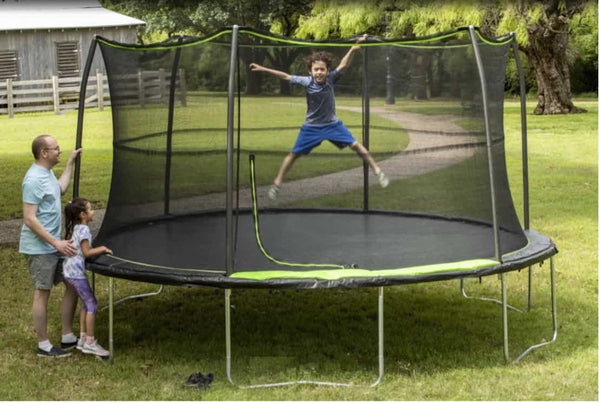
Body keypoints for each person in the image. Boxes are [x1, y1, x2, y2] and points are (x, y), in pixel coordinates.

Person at [249, 35, 389, 200]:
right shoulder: (306, 81)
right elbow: (285, 76)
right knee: (293, 155)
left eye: (322, 69)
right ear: (310, 71)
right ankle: (277, 183)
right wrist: (263, 69)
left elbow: (343, 65)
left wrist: (353, 48)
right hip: (311, 127)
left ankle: (377, 171)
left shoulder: (331, 79)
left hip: (332, 125)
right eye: (316, 69)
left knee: (356, 145)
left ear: (327, 71)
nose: (319, 72)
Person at [19, 134, 82, 357]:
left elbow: (60, 189)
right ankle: (43, 345)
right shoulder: (33, 179)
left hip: (55, 245)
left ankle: (67, 336)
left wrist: (70, 163)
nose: (60, 150)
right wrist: (56, 242)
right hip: (40, 248)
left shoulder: (47, 173)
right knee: (42, 293)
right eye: (56, 149)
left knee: (73, 285)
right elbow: (29, 218)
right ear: (43, 153)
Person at [63, 197, 112, 357]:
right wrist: (102, 249)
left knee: (85, 304)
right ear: (83, 214)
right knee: (92, 304)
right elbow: (86, 252)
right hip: (76, 274)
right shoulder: (84, 230)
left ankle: (83, 338)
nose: (93, 212)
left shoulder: (76, 227)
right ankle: (91, 342)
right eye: (90, 209)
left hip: (69, 272)